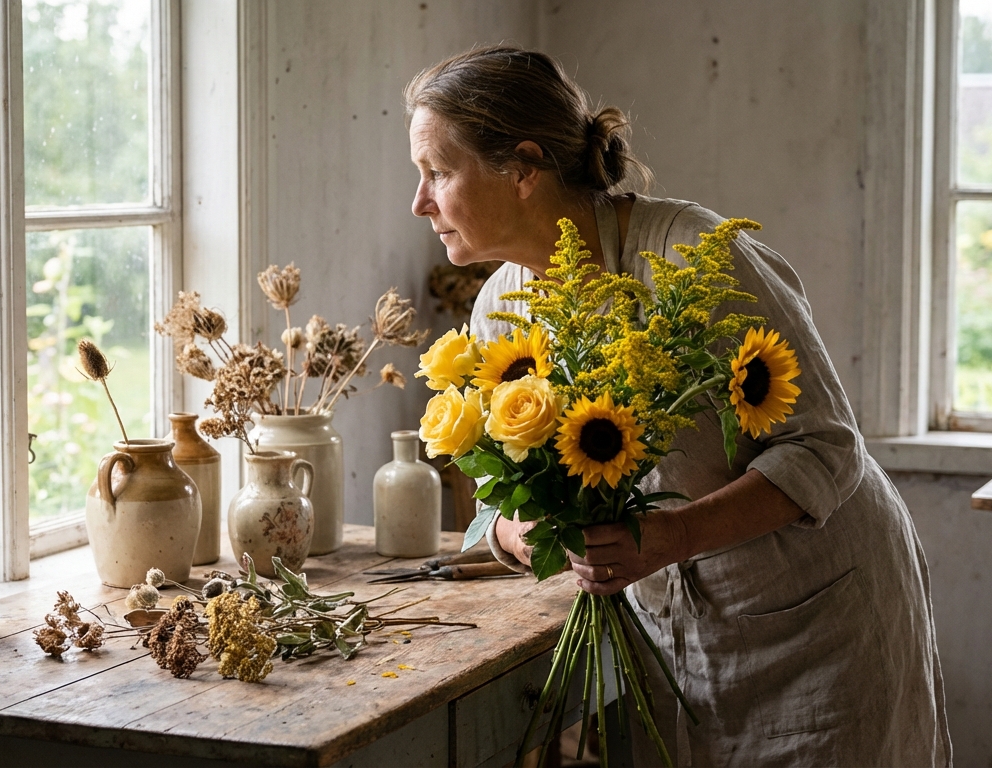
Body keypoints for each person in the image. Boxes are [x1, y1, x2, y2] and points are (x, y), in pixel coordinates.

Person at [405, 46, 951, 767]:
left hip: (819, 620)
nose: (420, 202)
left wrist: (675, 535)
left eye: (438, 172)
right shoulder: (500, 310)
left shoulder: (695, 258)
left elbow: (825, 446)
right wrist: (518, 531)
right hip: (672, 641)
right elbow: (499, 483)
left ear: (524, 167)